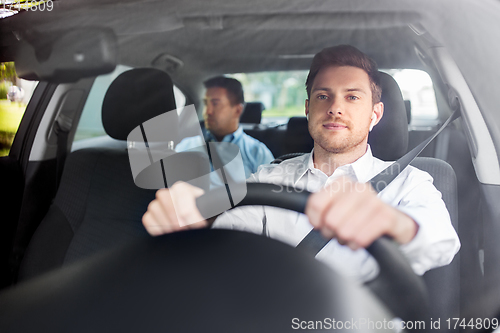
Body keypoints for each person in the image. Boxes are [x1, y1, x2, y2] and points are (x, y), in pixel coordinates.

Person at [143, 45, 460, 282]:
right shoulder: (267, 179)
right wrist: (191, 232)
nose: (335, 108)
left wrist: (393, 223)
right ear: (308, 108)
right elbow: (230, 244)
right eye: (324, 96)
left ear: (375, 114)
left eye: (352, 97)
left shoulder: (411, 182)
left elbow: (441, 242)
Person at [175, 76, 274, 178]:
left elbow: (272, 191)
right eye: (205, 103)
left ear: (237, 110)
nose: (207, 111)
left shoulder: (257, 153)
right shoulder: (186, 146)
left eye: (215, 103)